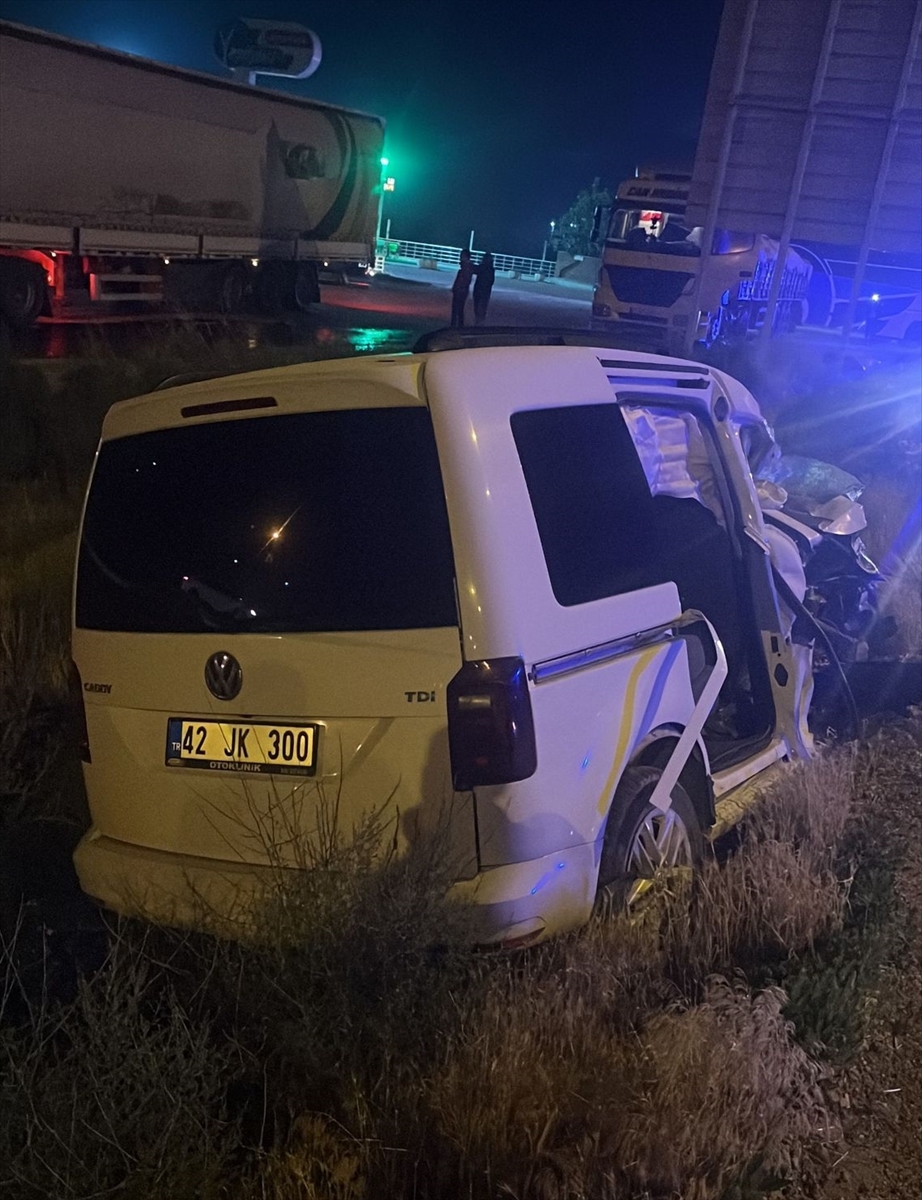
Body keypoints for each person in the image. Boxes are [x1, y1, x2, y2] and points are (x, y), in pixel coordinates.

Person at [450, 249, 474, 327]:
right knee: (459, 309)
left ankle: (456, 325)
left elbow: (463, 280)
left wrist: (457, 287)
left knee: (457, 308)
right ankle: (458, 325)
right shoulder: (467, 267)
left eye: (462, 256)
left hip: (460, 291)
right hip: (462, 290)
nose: (460, 257)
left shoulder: (466, 268)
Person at [472, 251, 495, 325]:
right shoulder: (491, 269)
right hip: (486, 290)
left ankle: (477, 320)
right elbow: (492, 281)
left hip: (478, 289)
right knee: (483, 306)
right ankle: (481, 320)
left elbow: (474, 270)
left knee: (476, 305)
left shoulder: (481, 267)